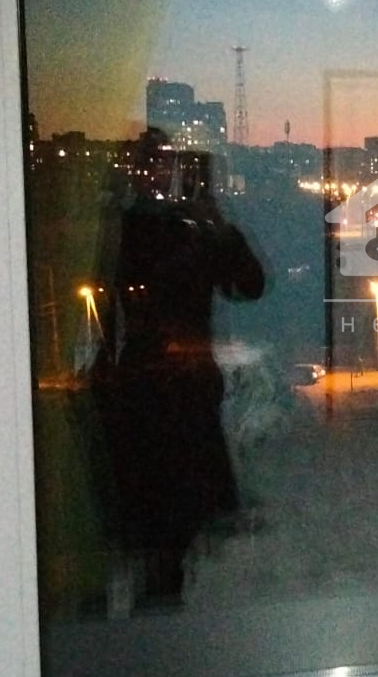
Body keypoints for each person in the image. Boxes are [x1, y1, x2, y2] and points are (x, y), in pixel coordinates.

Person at [92, 133, 265, 605]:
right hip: (147, 393)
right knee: (158, 535)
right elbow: (116, 301)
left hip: (181, 391)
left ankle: (162, 610)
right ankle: (159, 611)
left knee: (171, 539)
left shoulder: (189, 229)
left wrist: (214, 223)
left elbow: (248, 285)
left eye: (165, 166)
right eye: (146, 165)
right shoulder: (126, 228)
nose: (156, 175)